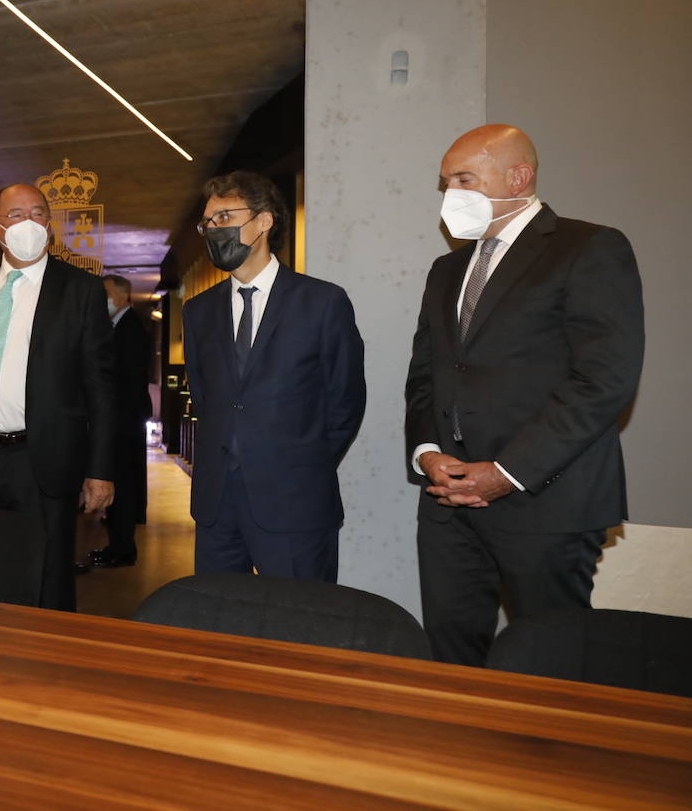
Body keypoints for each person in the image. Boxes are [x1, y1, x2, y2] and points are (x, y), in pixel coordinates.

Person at [406, 124, 644, 666]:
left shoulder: (589, 248)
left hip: (547, 504)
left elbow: (604, 380)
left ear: (520, 176)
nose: (452, 195)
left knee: (550, 667)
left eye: (465, 179)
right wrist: (427, 454)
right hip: (448, 508)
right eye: (446, 183)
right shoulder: (447, 270)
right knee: (452, 661)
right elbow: (426, 375)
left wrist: (506, 472)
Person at [0, 183, 116, 611]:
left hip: (45, 456)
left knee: (48, 576)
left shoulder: (80, 290)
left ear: (49, 225)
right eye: (16, 215)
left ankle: (48, 661)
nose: (29, 223)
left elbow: (103, 389)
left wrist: (101, 470)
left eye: (38, 213)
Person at [183, 170, 365, 582]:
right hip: (215, 507)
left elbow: (345, 404)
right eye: (207, 222)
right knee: (218, 627)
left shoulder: (322, 302)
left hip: (294, 504)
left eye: (225, 218)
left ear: (264, 221)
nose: (214, 230)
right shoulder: (198, 311)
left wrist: (297, 466)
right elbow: (207, 396)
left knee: (299, 630)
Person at [89, 273, 152, 569]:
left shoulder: (130, 329)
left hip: (123, 423)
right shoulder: (119, 327)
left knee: (124, 486)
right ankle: (117, 545)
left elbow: (126, 382)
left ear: (125, 295)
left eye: (108, 293)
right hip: (121, 421)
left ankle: (123, 549)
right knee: (120, 483)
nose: (104, 300)